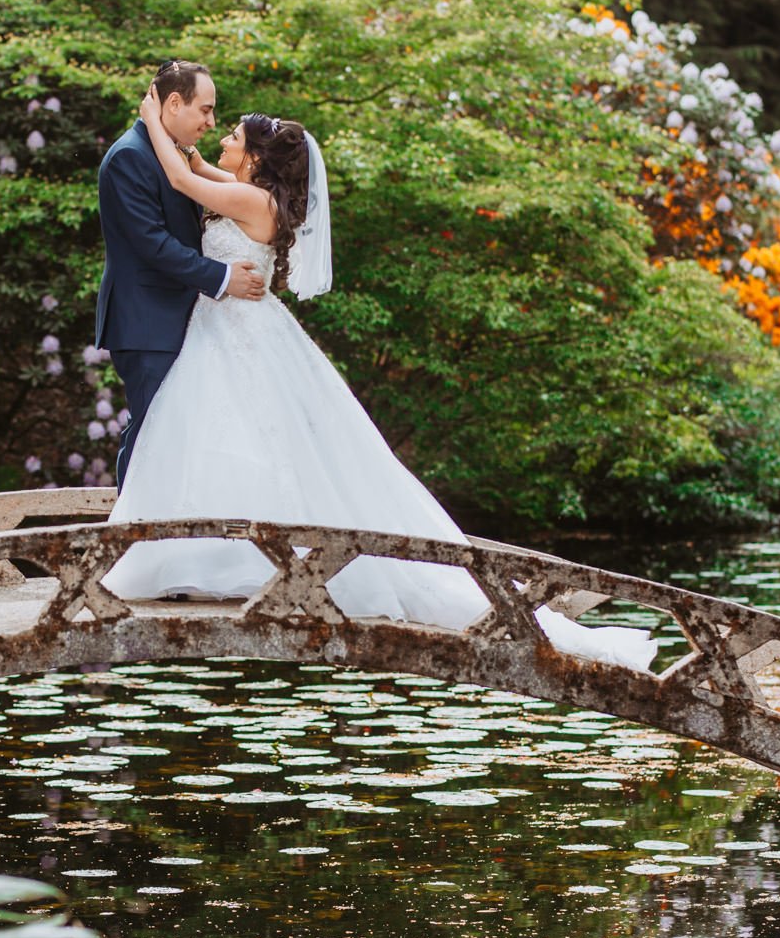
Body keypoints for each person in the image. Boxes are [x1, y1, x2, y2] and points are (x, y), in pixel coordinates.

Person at [96, 79, 657, 669]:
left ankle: (239, 562)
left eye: (233, 135)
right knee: (224, 441)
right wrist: (173, 132)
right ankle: (209, 559)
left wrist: (153, 118)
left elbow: (186, 180)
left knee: (239, 439)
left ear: (256, 159)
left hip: (235, 329)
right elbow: (201, 167)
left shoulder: (251, 202)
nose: (221, 137)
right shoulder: (245, 189)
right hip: (222, 328)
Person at [94, 60, 266, 484]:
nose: (211, 121)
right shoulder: (129, 158)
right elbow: (152, 244)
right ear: (174, 102)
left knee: (176, 438)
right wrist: (223, 277)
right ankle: (132, 535)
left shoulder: (173, 156)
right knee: (151, 435)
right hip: (147, 322)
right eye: (205, 110)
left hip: (181, 321)